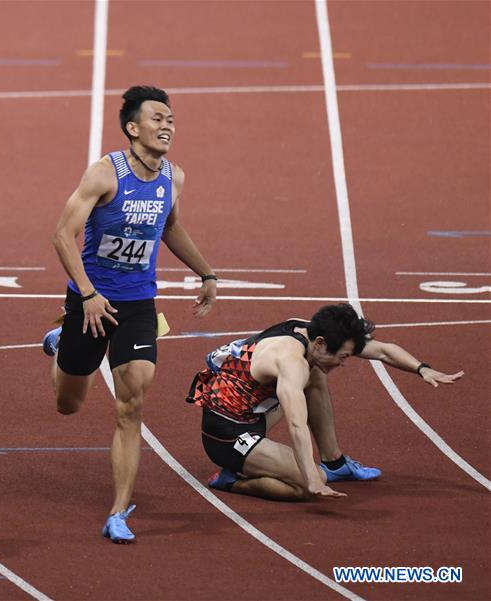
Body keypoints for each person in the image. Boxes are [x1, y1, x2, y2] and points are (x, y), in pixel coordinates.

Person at [42, 86, 217, 543]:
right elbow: (62, 234)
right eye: (157, 119)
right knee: (68, 404)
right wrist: (87, 294)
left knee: (132, 402)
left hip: (138, 303)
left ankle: (118, 512)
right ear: (133, 128)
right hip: (90, 301)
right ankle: (62, 346)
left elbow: (170, 228)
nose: (167, 126)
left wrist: (206, 272)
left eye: (171, 120)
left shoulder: (173, 178)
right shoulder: (105, 174)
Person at [187, 303, 464, 501]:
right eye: (342, 357)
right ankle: (233, 481)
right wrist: (311, 480)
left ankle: (334, 462)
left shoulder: (310, 333)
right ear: (320, 343)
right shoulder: (291, 361)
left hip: (253, 411)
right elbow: (296, 425)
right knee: (307, 484)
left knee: (316, 373)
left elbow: (382, 351)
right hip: (227, 434)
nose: (343, 364)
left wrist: (422, 369)